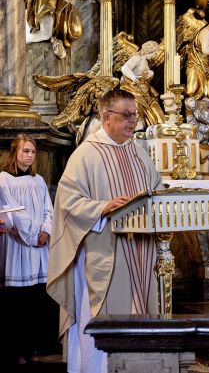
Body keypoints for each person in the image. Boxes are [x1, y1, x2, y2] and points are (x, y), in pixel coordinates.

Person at [47, 89, 164, 373]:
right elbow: (67, 201)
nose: (132, 121)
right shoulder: (86, 154)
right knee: (103, 322)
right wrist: (102, 208)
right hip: (105, 252)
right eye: (126, 115)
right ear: (105, 116)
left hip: (141, 251)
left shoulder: (138, 153)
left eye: (135, 115)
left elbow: (157, 190)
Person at [0, 136, 56, 365]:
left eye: (33, 152)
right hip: (17, 245)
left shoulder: (39, 180)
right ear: (14, 153)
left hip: (39, 246)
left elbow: (48, 209)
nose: (30, 155)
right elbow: (14, 213)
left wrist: (47, 231)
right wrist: (35, 236)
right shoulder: (3, 180)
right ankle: (16, 350)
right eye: (26, 151)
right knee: (17, 301)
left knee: (36, 296)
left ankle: (35, 347)